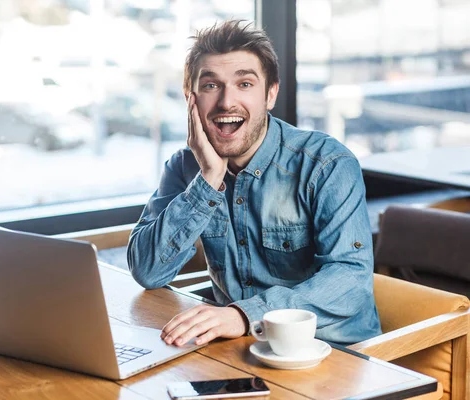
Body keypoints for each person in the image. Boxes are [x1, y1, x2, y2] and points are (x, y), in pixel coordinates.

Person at [127, 20, 381, 348]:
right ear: (191, 100)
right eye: (210, 86)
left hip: (334, 353)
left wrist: (245, 315)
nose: (226, 102)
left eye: (244, 84)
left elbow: (351, 280)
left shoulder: (327, 163)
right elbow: (148, 271)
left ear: (270, 93)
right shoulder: (185, 167)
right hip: (242, 352)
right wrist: (207, 180)